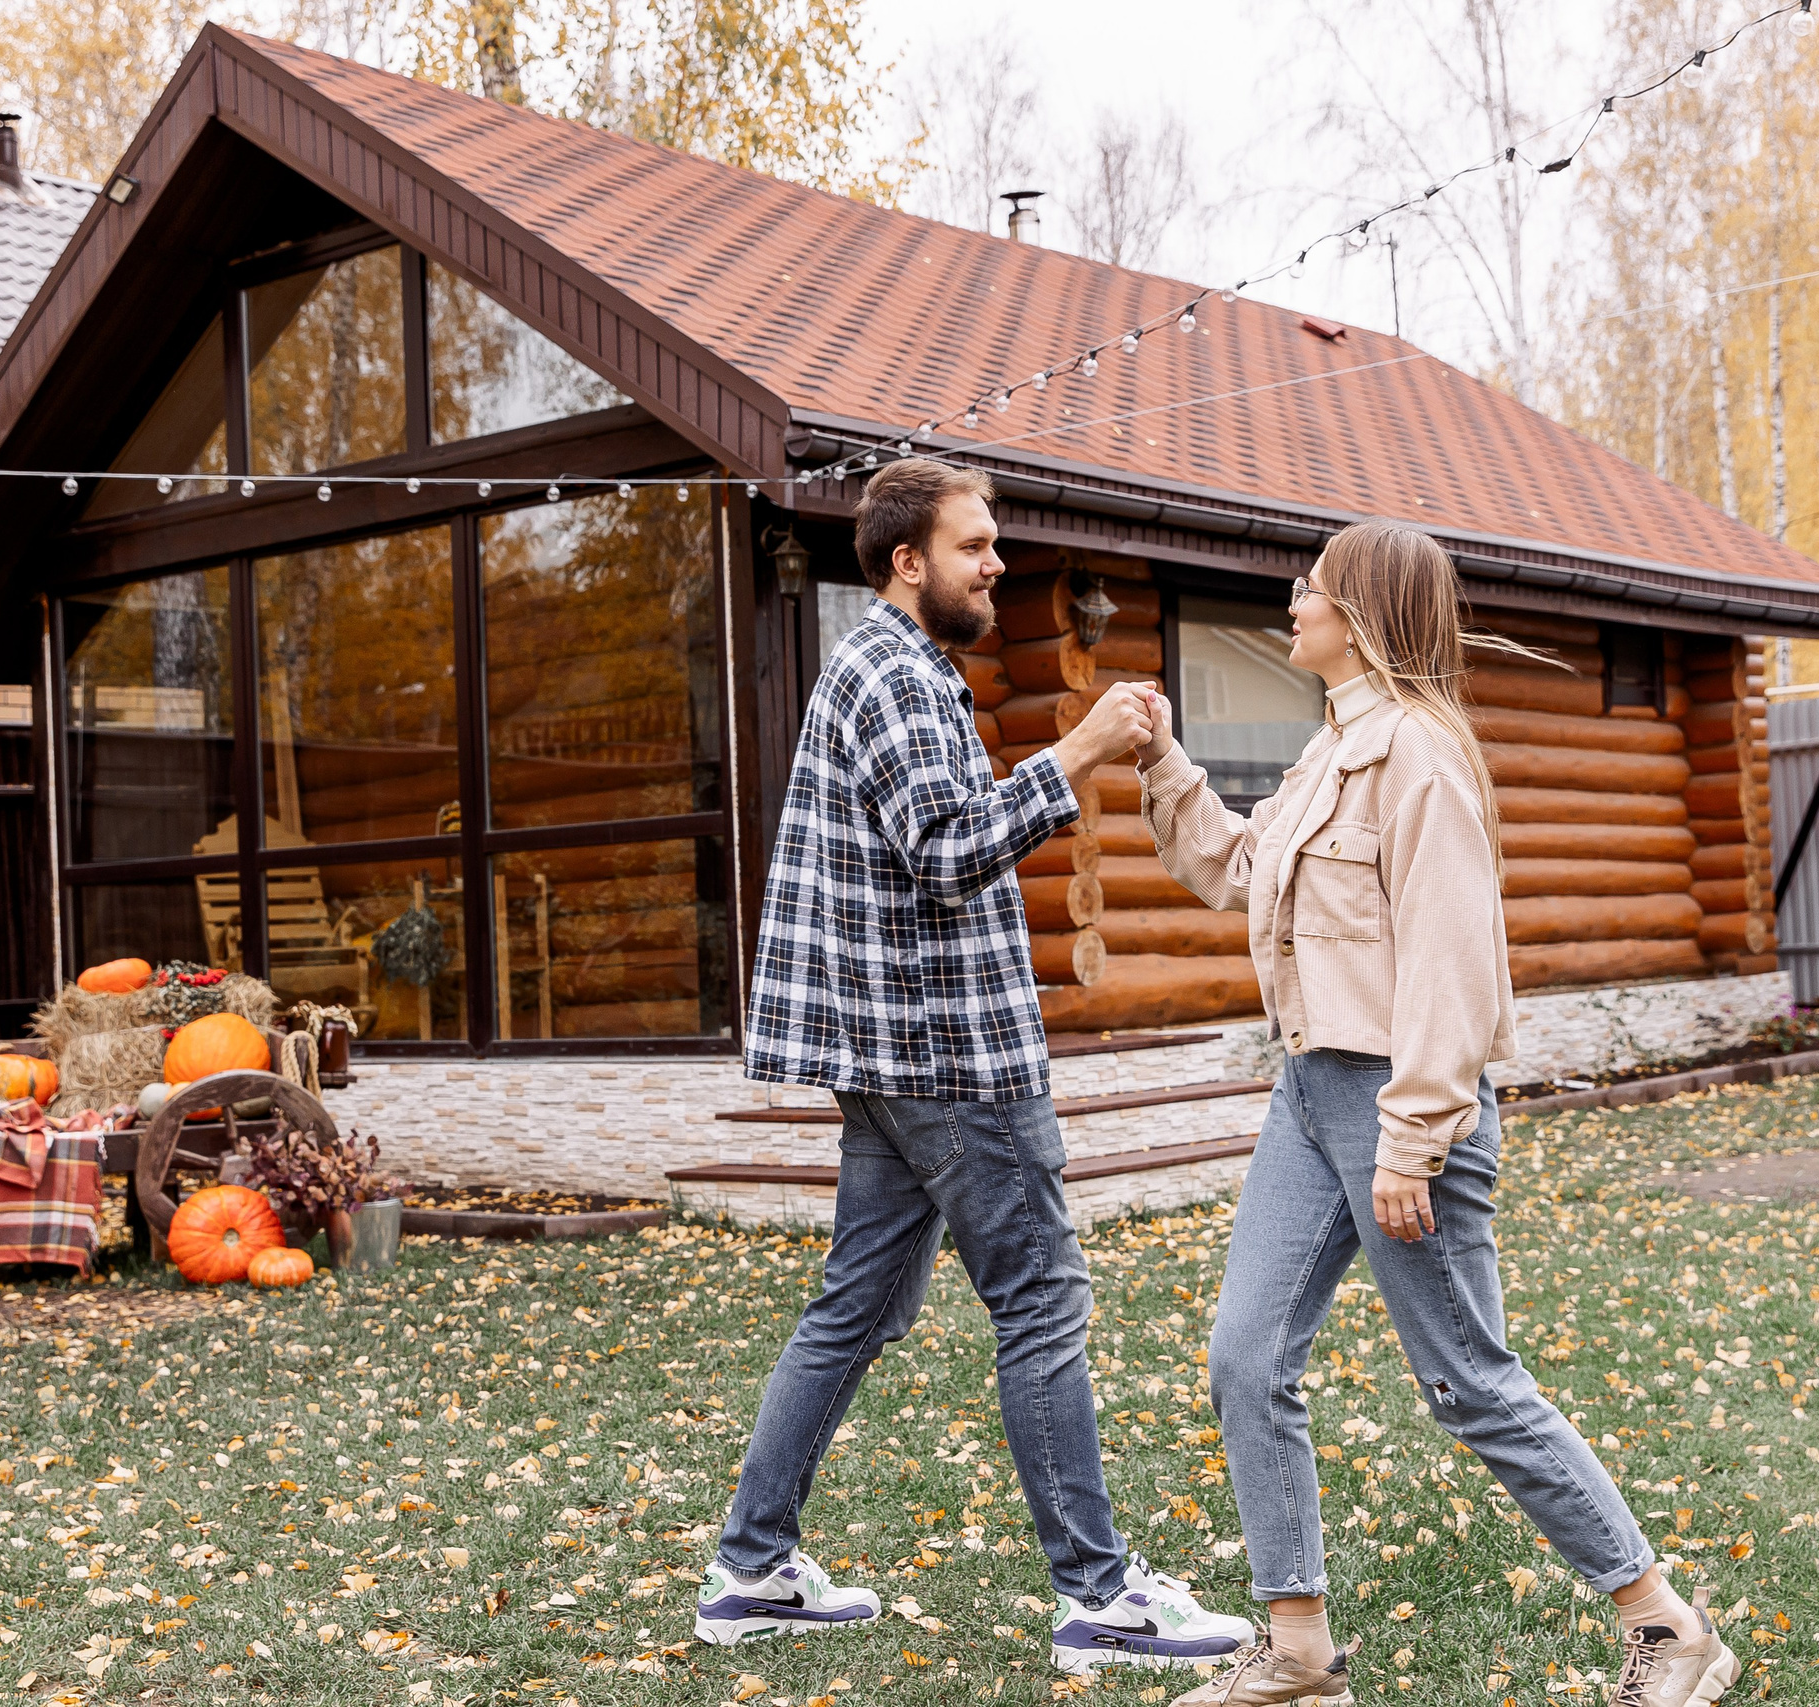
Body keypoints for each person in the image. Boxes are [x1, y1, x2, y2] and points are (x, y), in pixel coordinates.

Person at [1130, 521, 1740, 1707]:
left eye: (1310, 584)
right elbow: (1237, 873)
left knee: (1468, 1381)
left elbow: (1454, 966)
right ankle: (1298, 1653)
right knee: (1245, 1356)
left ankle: (1667, 1626)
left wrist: (1411, 1137)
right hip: (1309, 1095)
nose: (1291, 599)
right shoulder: (1330, 752)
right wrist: (1164, 762)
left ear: (1358, 610)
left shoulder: (1418, 753)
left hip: (1404, 1105)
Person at [696, 458, 1255, 1676]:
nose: (994, 562)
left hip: (896, 1052)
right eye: (973, 546)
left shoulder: (889, 666)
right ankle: (1100, 1596)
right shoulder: (890, 671)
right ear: (908, 561)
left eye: (992, 544)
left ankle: (749, 1567)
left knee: (855, 1307)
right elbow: (948, 851)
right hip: (947, 1056)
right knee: (1041, 1304)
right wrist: (1083, 746)